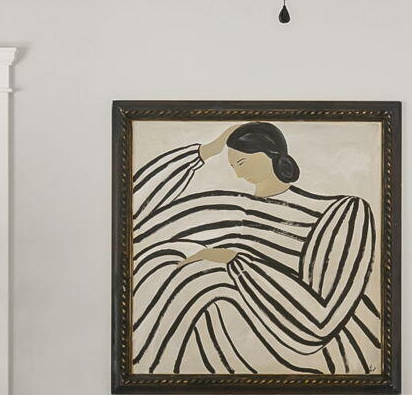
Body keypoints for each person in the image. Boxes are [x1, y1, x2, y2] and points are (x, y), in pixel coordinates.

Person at [130, 121, 380, 375]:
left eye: (242, 162)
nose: (238, 174)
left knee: (202, 274)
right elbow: (132, 221)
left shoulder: (339, 213)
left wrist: (235, 262)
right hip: (217, 352)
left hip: (302, 347)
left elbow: (320, 322)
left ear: (270, 155)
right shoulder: (223, 206)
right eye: (232, 166)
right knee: (166, 258)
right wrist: (205, 151)